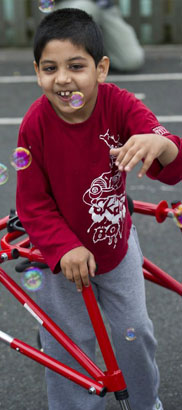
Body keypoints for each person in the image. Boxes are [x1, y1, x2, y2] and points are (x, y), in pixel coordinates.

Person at [16, 8, 182, 410]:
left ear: (101, 68)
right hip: (63, 261)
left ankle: (146, 403)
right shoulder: (35, 124)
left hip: (117, 247)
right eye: (50, 67)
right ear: (37, 71)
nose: (63, 79)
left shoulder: (121, 105)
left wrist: (161, 144)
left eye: (76, 65)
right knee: (70, 346)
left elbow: (171, 160)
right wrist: (63, 247)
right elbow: (32, 203)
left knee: (136, 331)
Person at [55, 0, 145, 71]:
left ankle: (99, 55)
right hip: (71, 5)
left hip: (106, 8)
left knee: (131, 61)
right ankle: (68, 60)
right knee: (83, 9)